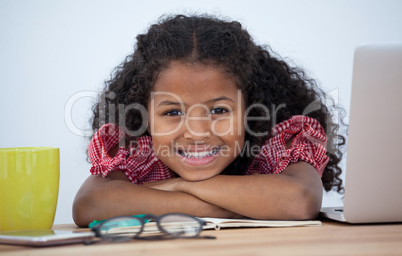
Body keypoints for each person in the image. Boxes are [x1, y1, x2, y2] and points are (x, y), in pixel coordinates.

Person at [73, 14, 345, 227]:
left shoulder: (275, 145)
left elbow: (299, 200)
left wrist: (180, 186)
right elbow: (90, 205)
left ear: (252, 111)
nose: (197, 132)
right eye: (173, 113)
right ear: (143, 118)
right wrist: (246, 207)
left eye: (218, 111)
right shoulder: (139, 153)